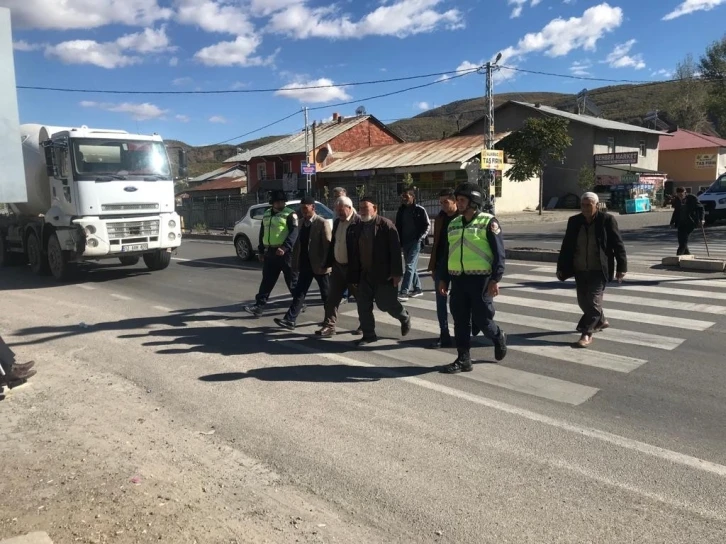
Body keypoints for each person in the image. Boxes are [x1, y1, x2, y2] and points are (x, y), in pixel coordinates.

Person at [438, 182, 507, 373]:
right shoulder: (453, 223)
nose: (458, 203)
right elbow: (447, 254)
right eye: (457, 200)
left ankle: (498, 336)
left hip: (481, 281)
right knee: (460, 320)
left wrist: (495, 279)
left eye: (462, 200)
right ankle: (463, 359)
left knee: (483, 320)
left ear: (473, 201)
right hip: (458, 280)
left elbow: (499, 253)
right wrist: (443, 278)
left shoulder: (488, 222)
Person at [556, 192, 627, 348]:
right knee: (583, 302)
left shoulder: (607, 220)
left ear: (597, 205)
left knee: (593, 303)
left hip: (599, 269)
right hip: (580, 268)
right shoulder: (574, 221)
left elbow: (618, 245)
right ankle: (601, 321)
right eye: (583, 205)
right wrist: (561, 267)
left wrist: (622, 267)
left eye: (589, 205)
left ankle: (586, 333)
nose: (585, 208)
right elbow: (566, 246)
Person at [349, 196, 412, 346]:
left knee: (386, 304)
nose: (362, 211)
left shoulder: (386, 226)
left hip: (384, 273)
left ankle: (404, 317)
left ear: (375, 209)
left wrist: (397, 273)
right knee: (363, 305)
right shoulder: (357, 226)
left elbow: (396, 251)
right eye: (361, 208)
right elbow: (354, 252)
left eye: (366, 208)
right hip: (364, 274)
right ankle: (369, 335)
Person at [274, 196, 331, 330]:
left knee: (326, 295)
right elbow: (297, 245)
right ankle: (290, 320)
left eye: (306, 208)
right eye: (302, 209)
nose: (304, 211)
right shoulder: (300, 223)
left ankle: (329, 320)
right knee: (299, 293)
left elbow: (328, 245)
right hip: (305, 265)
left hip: (319, 266)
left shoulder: (322, 223)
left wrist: (327, 263)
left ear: (313, 208)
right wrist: (295, 263)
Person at [243, 191, 298, 317]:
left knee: (292, 281)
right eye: (278, 202)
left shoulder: (290, 214)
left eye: (283, 202)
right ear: (273, 203)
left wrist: (285, 247)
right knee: (267, 280)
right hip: (271, 252)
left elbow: (294, 233)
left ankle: (298, 303)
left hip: (286, 253)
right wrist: (261, 251)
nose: (281, 204)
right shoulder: (267, 214)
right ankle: (259, 306)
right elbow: (263, 233)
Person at [316, 196, 362, 337]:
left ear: (349, 208)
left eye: (341, 211)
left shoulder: (359, 223)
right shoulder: (337, 222)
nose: (339, 214)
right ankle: (329, 326)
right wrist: (328, 262)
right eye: (337, 211)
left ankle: (365, 324)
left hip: (353, 268)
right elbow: (334, 243)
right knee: (332, 298)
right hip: (337, 267)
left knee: (361, 298)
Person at [427, 188, 459, 348]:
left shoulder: (462, 218)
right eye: (441, 203)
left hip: (459, 266)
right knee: (441, 302)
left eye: (445, 202)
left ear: (455, 201)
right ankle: (444, 334)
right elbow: (437, 244)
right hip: (441, 265)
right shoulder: (440, 218)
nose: (443, 206)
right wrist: (433, 266)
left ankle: (461, 334)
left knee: (458, 302)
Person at [395, 187, 430, 301]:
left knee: (409, 266)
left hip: (415, 242)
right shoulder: (401, 210)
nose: (404, 198)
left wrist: (420, 238)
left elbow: (427, 225)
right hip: (405, 242)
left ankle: (404, 291)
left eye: (406, 196)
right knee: (411, 267)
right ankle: (417, 288)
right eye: (402, 196)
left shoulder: (419, 210)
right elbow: (398, 226)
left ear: (412, 197)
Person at [670, 187, 705, 256]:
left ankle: (678, 256)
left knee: (684, 240)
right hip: (680, 223)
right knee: (681, 241)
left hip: (690, 222)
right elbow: (676, 212)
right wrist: (672, 222)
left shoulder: (692, 198)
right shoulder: (677, 200)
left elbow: (701, 208)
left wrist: (702, 219)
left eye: (681, 195)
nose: (680, 197)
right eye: (678, 195)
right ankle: (687, 255)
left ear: (685, 193)